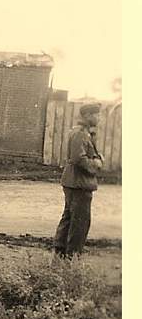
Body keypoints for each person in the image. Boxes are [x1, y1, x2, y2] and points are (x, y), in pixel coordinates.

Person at [54, 102, 104, 258]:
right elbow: (78, 158)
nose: (99, 117)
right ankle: (72, 256)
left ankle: (61, 254)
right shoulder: (80, 133)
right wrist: (96, 164)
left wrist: (97, 158)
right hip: (79, 182)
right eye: (96, 114)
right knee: (80, 222)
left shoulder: (85, 133)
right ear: (88, 116)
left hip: (76, 181)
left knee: (70, 218)